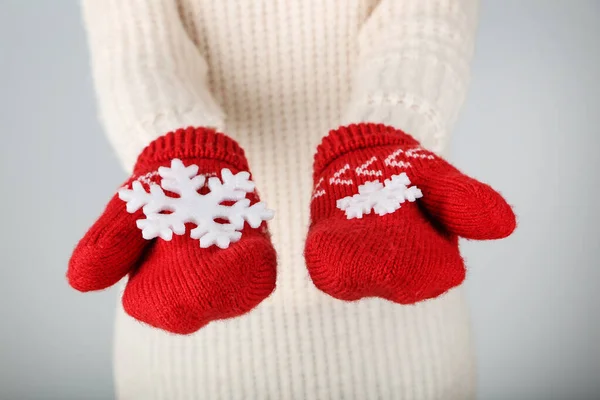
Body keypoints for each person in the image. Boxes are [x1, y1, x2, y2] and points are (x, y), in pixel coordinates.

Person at [72, 0, 513, 398]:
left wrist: (384, 134)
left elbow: (428, 19)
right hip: (186, 333)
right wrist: (176, 151)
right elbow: (133, 43)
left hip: (405, 328)